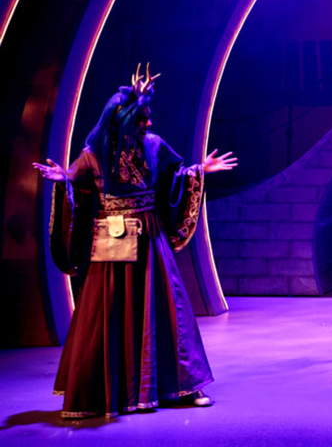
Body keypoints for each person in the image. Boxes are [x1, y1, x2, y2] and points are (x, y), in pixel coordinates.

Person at [33, 65, 237, 418]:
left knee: (167, 306)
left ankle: (182, 386)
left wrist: (201, 169)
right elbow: (75, 179)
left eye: (148, 117)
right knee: (106, 310)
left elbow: (177, 174)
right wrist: (62, 177)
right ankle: (102, 389)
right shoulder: (94, 153)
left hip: (150, 236)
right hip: (111, 238)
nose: (147, 123)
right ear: (122, 119)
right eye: (141, 118)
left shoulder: (154, 146)